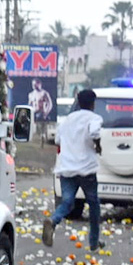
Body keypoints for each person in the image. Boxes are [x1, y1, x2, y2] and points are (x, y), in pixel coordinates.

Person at [41, 88, 104, 252]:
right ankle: (94, 242)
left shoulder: (67, 120)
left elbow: (58, 140)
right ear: (92, 104)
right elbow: (95, 132)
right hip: (86, 169)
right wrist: (98, 146)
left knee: (67, 202)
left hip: (66, 168)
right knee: (93, 204)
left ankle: (53, 221)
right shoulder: (94, 118)